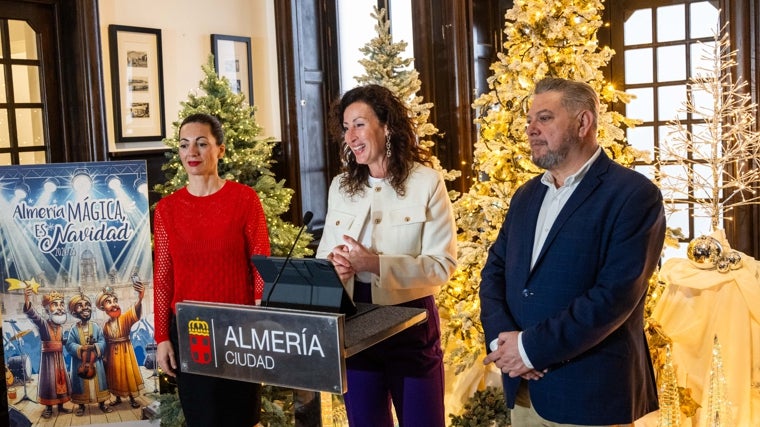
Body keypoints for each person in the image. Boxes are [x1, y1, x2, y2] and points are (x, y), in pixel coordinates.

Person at [479, 77, 666, 426]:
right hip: (523, 390)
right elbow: (494, 273)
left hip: (590, 393)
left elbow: (613, 297)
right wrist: (504, 347)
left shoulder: (634, 195)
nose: (531, 129)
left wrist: (530, 349)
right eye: (529, 120)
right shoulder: (525, 195)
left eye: (545, 118)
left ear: (583, 123)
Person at [318, 84, 457, 426]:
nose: (350, 135)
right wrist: (336, 267)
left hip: (410, 324)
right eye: (346, 127)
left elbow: (442, 266)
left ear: (387, 126)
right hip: (353, 327)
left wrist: (374, 264)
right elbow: (325, 255)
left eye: (360, 124)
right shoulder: (340, 186)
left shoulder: (426, 182)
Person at [153, 113, 271, 427]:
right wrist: (162, 336)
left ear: (220, 149)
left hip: (240, 330)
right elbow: (163, 278)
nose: (191, 152)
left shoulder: (245, 199)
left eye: (201, 143)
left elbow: (261, 265)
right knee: (203, 419)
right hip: (192, 334)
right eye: (184, 144)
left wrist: (260, 320)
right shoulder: (167, 210)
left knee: (243, 418)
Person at [22, 288, 73, 418]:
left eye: (61, 304)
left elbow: (62, 341)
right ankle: (49, 408)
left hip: (59, 359)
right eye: (55, 304)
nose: (60, 308)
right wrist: (27, 299)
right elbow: (33, 315)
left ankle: (61, 405)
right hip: (48, 360)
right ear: (47, 309)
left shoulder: (61, 327)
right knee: (49, 382)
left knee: (61, 381)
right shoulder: (44, 324)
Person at [96, 284, 145, 408]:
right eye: (109, 302)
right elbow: (106, 342)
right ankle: (117, 397)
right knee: (116, 376)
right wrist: (105, 356)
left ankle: (132, 398)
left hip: (125, 351)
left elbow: (135, 311)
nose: (114, 304)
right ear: (103, 308)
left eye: (115, 301)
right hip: (112, 354)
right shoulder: (106, 326)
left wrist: (140, 298)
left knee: (128, 374)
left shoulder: (124, 318)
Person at [64, 292, 112, 416]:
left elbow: (102, 341)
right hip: (80, 363)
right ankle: (81, 405)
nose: (85, 308)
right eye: (80, 306)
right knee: (80, 384)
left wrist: (96, 346)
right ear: (74, 312)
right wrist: (80, 348)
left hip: (95, 363)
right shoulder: (73, 330)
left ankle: (102, 403)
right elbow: (69, 345)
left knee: (99, 382)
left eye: (87, 305)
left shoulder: (96, 327)